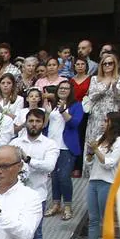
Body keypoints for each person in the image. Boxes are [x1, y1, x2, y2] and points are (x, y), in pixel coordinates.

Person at [12, 107, 58, 239]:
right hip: (16, 194)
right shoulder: (16, 142)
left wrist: (28, 159)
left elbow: (49, 166)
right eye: (31, 121)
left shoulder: (50, 144)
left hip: (37, 195)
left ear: (43, 123)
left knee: (35, 233)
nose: (34, 124)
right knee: (15, 230)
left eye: (38, 121)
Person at [78, 112, 120, 239]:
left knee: (106, 222)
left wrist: (96, 150)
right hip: (94, 180)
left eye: (107, 120)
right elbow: (89, 162)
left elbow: (109, 164)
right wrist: (91, 154)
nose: (103, 123)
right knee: (93, 220)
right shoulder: (100, 138)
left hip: (108, 182)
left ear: (114, 123)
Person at [46, 80, 81, 219]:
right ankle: (55, 204)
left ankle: (67, 206)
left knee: (64, 176)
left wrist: (63, 111)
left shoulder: (76, 106)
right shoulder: (53, 105)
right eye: (61, 88)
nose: (63, 90)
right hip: (52, 146)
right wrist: (48, 113)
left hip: (66, 146)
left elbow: (74, 123)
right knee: (54, 176)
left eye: (66, 88)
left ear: (71, 91)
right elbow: (46, 125)